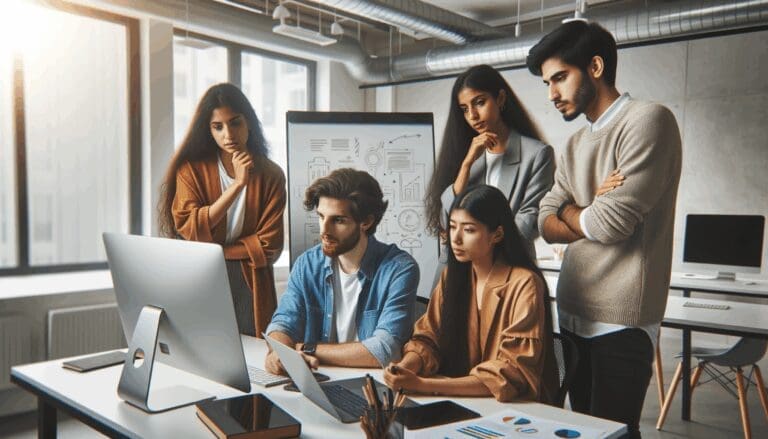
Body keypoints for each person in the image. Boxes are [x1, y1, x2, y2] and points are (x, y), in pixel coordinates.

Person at [526, 21, 682, 437]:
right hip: (573, 312)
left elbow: (609, 224)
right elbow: (544, 221)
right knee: (579, 433)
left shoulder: (648, 121)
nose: (551, 94)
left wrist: (577, 210)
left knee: (613, 434)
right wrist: (590, 207)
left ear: (595, 66)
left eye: (560, 78)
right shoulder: (576, 143)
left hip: (621, 320)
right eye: (547, 83)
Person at [384, 185, 558, 404]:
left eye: (468, 230)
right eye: (453, 227)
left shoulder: (525, 283)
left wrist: (423, 385)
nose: (455, 239)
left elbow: (510, 372)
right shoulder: (453, 276)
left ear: (497, 234)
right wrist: (406, 367)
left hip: (515, 408)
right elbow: (429, 337)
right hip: (463, 400)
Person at [158, 83, 286, 338]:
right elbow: (191, 231)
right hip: (200, 277)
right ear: (209, 131)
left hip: (249, 281)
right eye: (218, 127)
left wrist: (214, 251)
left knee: (252, 358)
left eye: (235, 122)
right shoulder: (191, 170)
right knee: (200, 350)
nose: (228, 134)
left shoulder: (271, 175)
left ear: (249, 122)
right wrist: (237, 185)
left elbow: (270, 246)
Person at [264, 168, 419, 373]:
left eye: (338, 220)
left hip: (370, 388)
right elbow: (283, 322)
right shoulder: (307, 265)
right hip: (318, 379)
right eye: (321, 216)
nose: (324, 231)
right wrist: (280, 354)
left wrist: (306, 349)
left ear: (366, 222)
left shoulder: (399, 269)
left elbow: (385, 350)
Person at [425, 64, 555, 260]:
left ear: (500, 99)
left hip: (508, 268)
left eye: (479, 102)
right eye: (464, 109)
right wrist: (467, 164)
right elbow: (446, 220)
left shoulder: (537, 154)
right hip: (458, 271)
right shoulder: (464, 152)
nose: (472, 116)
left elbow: (529, 221)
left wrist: (477, 248)